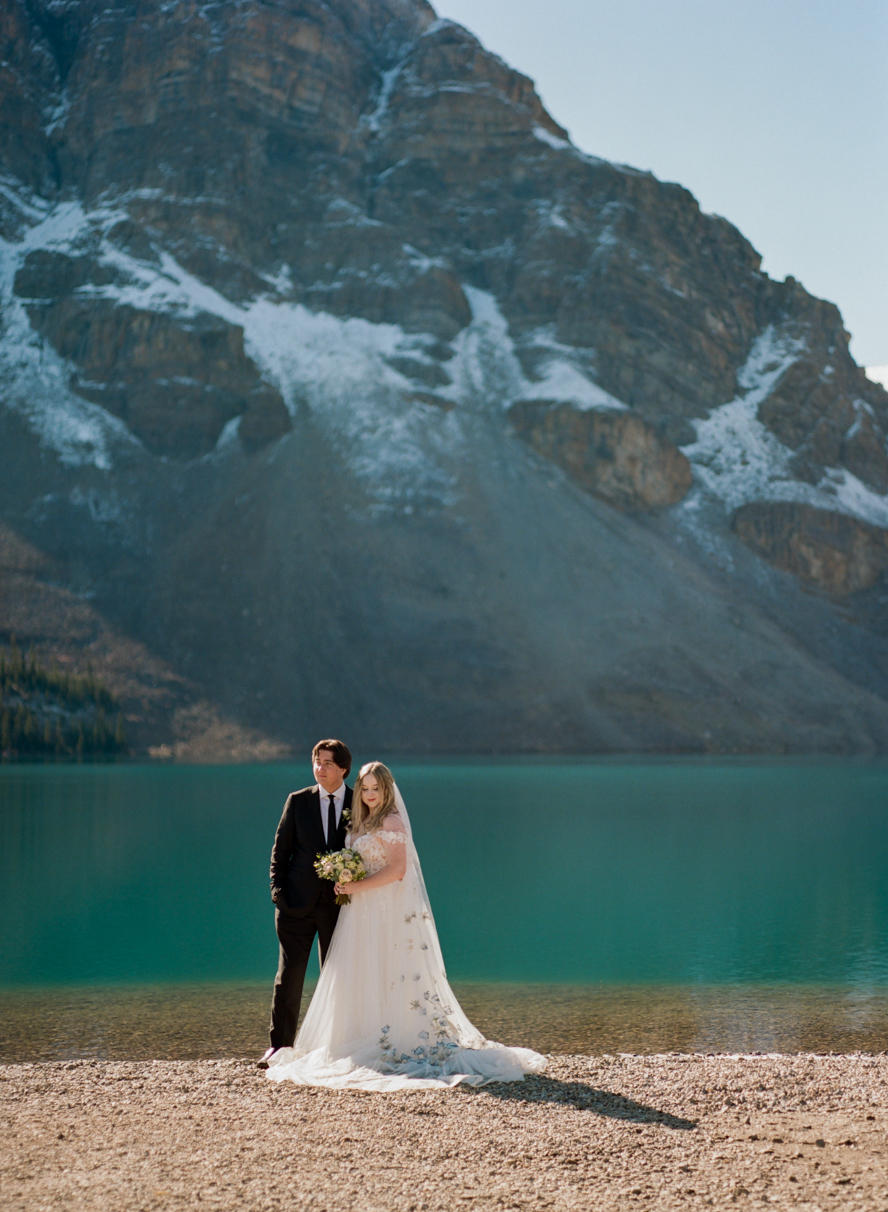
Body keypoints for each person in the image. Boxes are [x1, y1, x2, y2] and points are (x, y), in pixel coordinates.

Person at [265, 761, 546, 1090]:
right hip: (358, 913)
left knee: (388, 969)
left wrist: (356, 885)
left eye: (376, 788)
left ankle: (392, 1038)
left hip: (383, 910)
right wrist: (344, 875)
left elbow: (398, 871)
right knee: (361, 971)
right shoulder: (360, 821)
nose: (370, 794)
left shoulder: (391, 821)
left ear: (387, 789)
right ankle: (360, 1034)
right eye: (365, 788)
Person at [259, 739, 353, 1068]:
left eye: (328, 763)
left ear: (343, 769)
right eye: (317, 762)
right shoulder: (298, 801)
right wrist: (278, 893)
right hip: (295, 906)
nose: (320, 768)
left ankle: (336, 1048)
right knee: (289, 977)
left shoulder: (359, 803)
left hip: (341, 907)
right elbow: (280, 852)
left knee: (337, 978)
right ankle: (279, 1048)